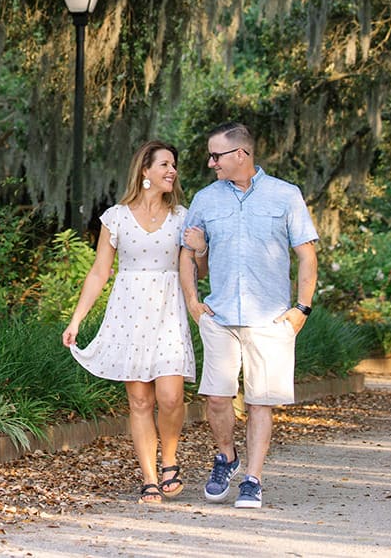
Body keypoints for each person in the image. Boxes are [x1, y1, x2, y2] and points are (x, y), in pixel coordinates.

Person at [178, 121, 318, 510]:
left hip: (270, 318)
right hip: (220, 315)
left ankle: (253, 480)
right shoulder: (205, 200)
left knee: (260, 402)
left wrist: (301, 309)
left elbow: (307, 255)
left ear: (241, 154)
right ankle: (226, 456)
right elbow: (189, 257)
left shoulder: (285, 196)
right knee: (217, 398)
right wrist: (193, 301)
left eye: (216, 155)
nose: (210, 163)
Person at [62, 140, 197, 504]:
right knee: (139, 401)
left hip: (168, 312)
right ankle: (150, 477)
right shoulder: (116, 217)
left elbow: (196, 270)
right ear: (145, 171)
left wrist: (201, 248)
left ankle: (169, 460)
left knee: (170, 397)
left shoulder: (183, 216)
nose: (172, 171)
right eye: (165, 165)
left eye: (174, 166)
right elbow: (99, 273)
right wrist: (76, 320)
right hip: (129, 314)